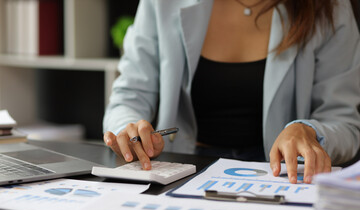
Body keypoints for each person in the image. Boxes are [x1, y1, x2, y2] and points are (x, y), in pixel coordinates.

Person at [103, 0, 360, 184]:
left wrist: (309, 131)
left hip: (280, 177)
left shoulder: (331, 8)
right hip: (181, 169)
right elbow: (129, 94)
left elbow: (345, 124)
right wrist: (128, 131)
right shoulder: (160, 3)